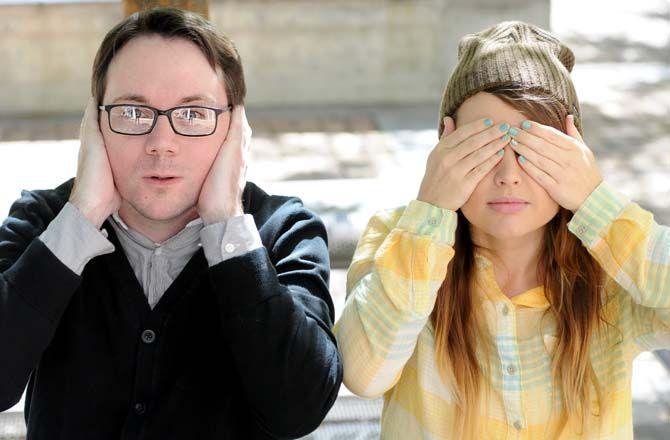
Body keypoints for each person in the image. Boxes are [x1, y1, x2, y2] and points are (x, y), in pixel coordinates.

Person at [0, 7, 342, 439]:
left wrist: (226, 224)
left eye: (193, 115)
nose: (162, 144)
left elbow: (299, 409)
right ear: (95, 122)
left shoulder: (283, 231)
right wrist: (82, 215)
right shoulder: (43, 221)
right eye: (132, 113)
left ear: (235, 128)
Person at [334, 21, 670, 439]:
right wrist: (431, 212)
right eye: (484, 147)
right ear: (445, 145)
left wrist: (595, 202)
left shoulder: (610, 267)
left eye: (534, 150)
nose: (508, 175)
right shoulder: (397, 238)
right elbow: (363, 375)